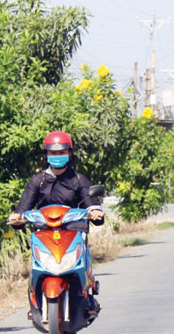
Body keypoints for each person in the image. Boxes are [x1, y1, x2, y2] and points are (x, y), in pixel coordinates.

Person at [8, 131, 105, 310]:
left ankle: (87, 289)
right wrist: (17, 217)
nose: (57, 156)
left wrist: (96, 212)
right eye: (53, 153)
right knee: (37, 262)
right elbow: (23, 208)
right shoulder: (37, 181)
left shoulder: (78, 180)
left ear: (69, 153)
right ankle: (35, 293)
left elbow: (91, 203)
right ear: (46, 154)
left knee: (83, 254)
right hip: (44, 233)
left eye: (61, 152)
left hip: (73, 231)